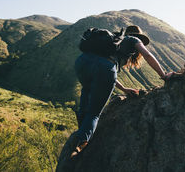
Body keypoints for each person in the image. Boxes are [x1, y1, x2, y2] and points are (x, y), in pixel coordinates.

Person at [69, 25, 174, 158]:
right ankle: (81, 143)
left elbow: (104, 71)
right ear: (137, 36)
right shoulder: (133, 40)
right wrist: (163, 75)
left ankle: (81, 130)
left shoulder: (112, 42)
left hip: (81, 63)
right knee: (94, 113)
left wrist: (124, 89)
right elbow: (147, 55)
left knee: (87, 91)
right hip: (103, 68)